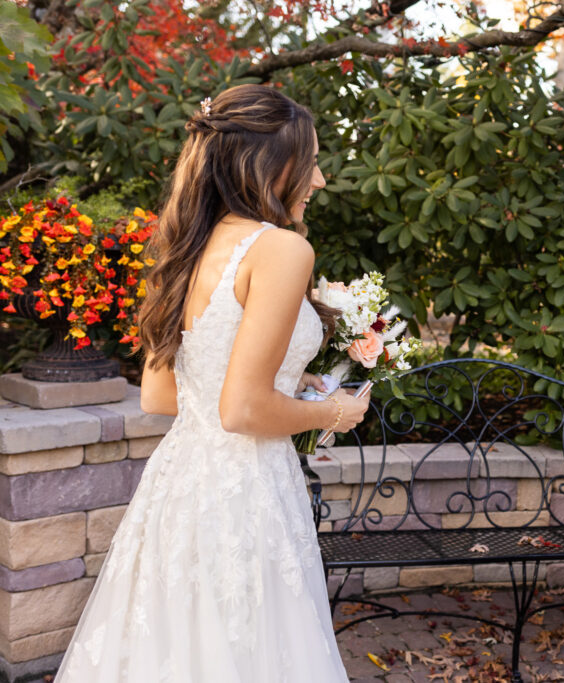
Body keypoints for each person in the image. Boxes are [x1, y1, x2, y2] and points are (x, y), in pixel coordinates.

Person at [55, 85, 369, 682]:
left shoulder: (183, 246)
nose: (320, 180)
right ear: (272, 166)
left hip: (179, 487)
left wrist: (291, 379)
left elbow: (163, 395)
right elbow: (243, 410)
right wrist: (330, 413)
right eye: (312, 163)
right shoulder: (281, 250)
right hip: (246, 492)